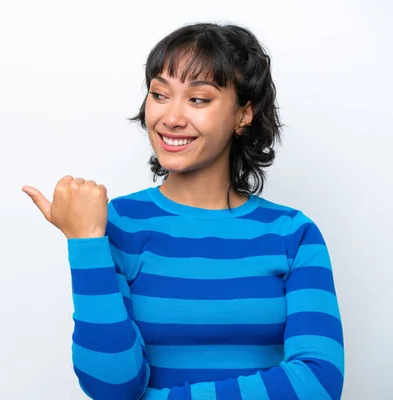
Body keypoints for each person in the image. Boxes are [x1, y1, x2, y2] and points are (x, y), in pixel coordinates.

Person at [22, 22, 344, 400]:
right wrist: (85, 243)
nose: (171, 118)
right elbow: (112, 388)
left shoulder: (293, 234)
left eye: (198, 99)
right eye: (160, 94)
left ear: (244, 114)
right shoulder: (114, 224)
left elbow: (317, 384)